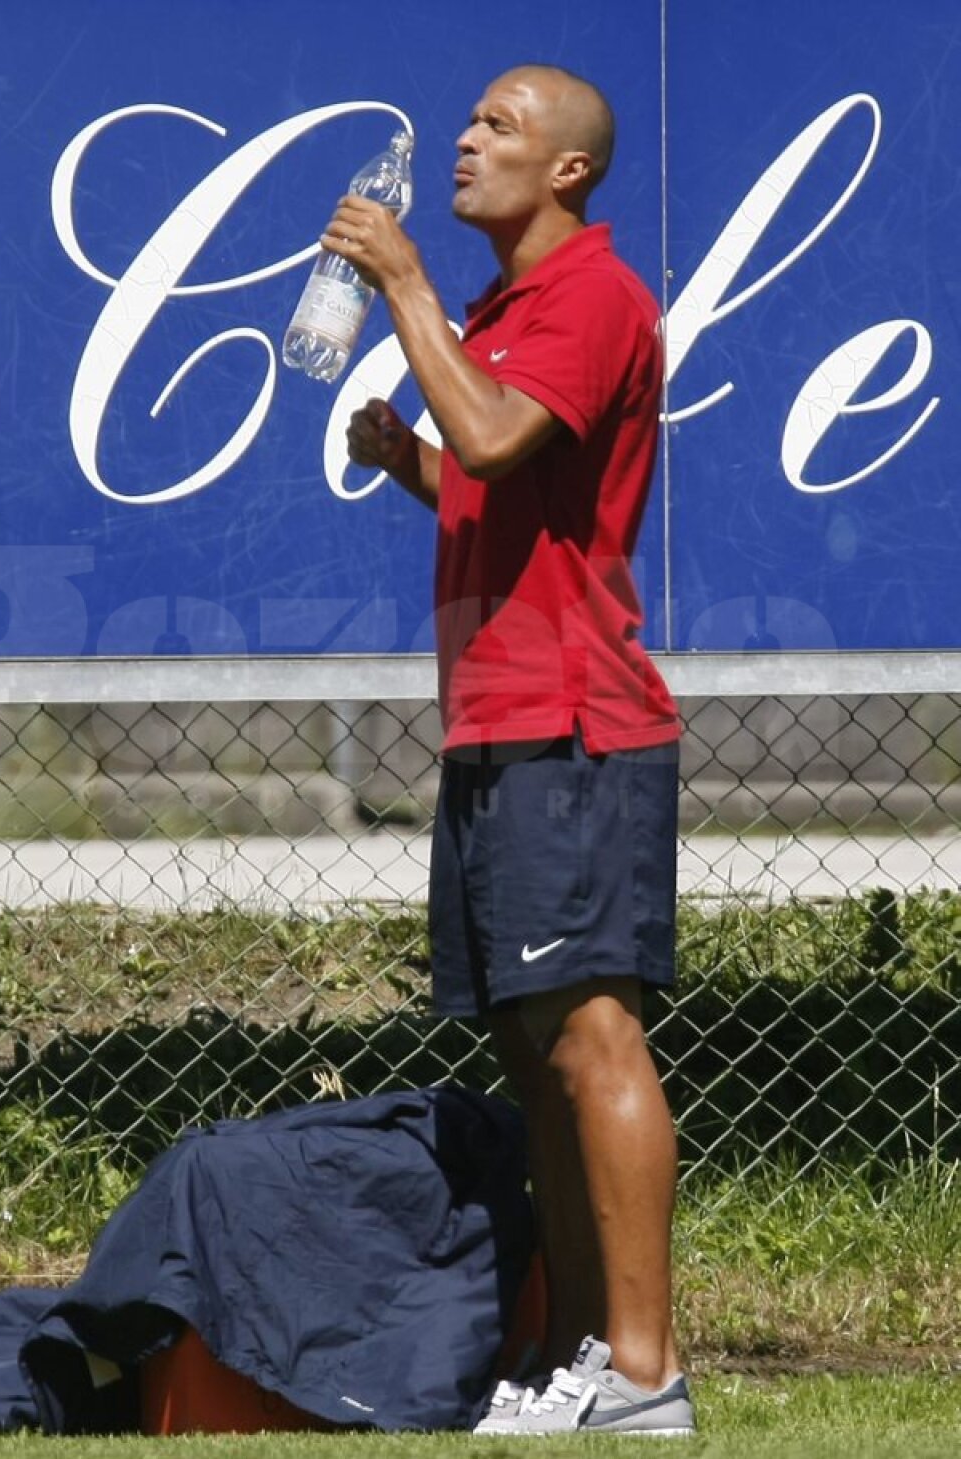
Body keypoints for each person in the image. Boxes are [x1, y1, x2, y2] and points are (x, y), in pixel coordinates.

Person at [323, 65, 694, 1437]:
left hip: (576, 730)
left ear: (569, 174)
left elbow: (488, 429)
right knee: (534, 1060)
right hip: (493, 730)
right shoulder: (507, 308)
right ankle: (582, 1359)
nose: (466, 142)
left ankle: (649, 1376)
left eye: (498, 129)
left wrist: (405, 284)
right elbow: (498, 482)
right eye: (470, 124)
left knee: (593, 1040)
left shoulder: (592, 296)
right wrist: (406, 463)